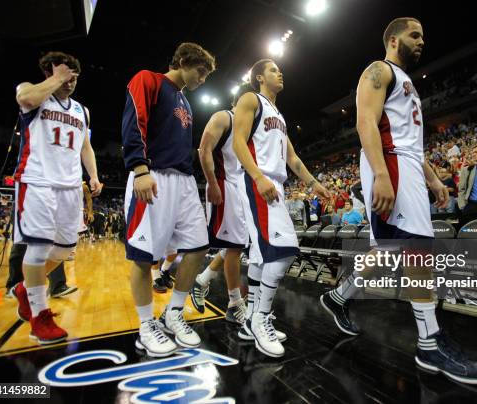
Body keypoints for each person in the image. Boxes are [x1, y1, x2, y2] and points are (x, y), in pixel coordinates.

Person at [319, 18, 477, 385]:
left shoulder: (407, 82)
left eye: (423, 36)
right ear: (394, 39)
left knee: (390, 248)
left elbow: (410, 137)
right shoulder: (378, 69)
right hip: (392, 163)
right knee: (418, 246)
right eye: (415, 35)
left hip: (407, 162)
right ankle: (429, 341)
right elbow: (366, 121)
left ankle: (339, 296)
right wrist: (383, 174)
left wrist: (431, 176)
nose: (421, 41)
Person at [232, 58, 330, 357]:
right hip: (257, 182)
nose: (280, 72)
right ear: (260, 77)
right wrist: (259, 177)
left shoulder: (278, 114)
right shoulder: (250, 99)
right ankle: (260, 318)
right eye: (273, 69)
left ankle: (250, 320)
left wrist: (314, 183)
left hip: (273, 183)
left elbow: (293, 158)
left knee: (263, 257)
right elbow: (237, 142)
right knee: (285, 249)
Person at [122, 42, 215, 357]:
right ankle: (146, 324)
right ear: (184, 61)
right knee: (143, 257)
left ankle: (173, 312)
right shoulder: (148, 79)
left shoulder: (185, 102)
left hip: (185, 180)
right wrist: (140, 168)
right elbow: (135, 122)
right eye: (200, 72)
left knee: (199, 246)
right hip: (154, 175)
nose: (202, 79)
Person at [13, 51, 102, 345]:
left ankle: (26, 288)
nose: (72, 80)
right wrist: (55, 78)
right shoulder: (33, 92)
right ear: (52, 71)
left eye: (75, 76)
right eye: (67, 74)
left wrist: (93, 175)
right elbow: (25, 99)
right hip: (37, 181)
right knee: (38, 250)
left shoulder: (81, 110)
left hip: (70, 186)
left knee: (64, 250)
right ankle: (40, 316)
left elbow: (86, 146)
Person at [189, 83, 256, 325]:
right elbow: (204, 149)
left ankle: (202, 280)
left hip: (240, 190)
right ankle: (234, 304)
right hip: (223, 186)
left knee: (235, 245)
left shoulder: (248, 127)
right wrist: (213, 184)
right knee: (234, 247)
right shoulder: (223, 117)